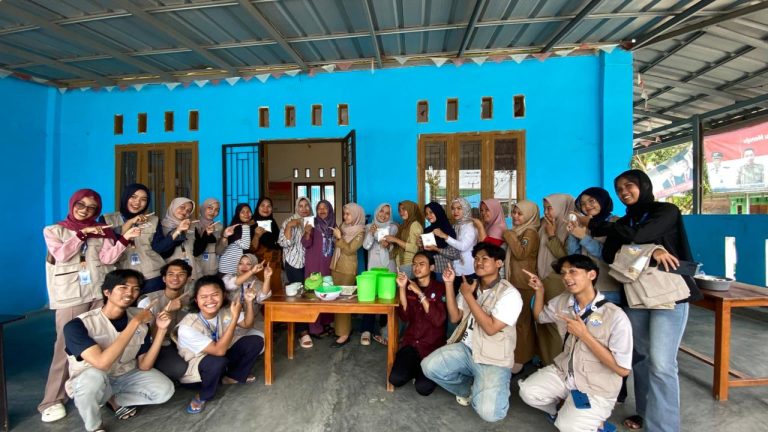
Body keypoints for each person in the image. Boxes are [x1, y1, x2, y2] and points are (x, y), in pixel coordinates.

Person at [589, 169, 703, 432]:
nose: (624, 192)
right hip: (636, 293)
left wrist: (633, 239)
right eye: (619, 189)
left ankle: (663, 427)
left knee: (662, 363)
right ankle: (644, 412)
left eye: (629, 186)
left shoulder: (666, 211)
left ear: (644, 185)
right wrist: (653, 249)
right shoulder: (627, 220)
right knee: (639, 356)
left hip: (669, 295)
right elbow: (609, 254)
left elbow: (638, 236)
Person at [40, 189, 141, 423]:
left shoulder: (103, 230)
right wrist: (82, 235)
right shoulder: (55, 230)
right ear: (73, 204)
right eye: (81, 205)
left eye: (92, 208)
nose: (86, 210)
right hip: (71, 295)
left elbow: (107, 259)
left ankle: (104, 394)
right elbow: (62, 255)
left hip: (98, 292)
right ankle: (52, 400)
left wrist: (123, 238)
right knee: (66, 346)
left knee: (101, 340)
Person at [519, 255, 632, 432]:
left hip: (596, 386)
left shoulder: (615, 316)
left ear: (592, 275)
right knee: (528, 392)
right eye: (563, 273)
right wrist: (539, 290)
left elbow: (623, 369)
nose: (566, 277)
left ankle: (594, 424)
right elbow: (540, 317)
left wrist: (585, 336)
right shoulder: (564, 301)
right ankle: (561, 412)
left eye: (573, 271)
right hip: (565, 372)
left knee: (567, 426)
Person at [421, 242, 523, 423]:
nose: (479, 263)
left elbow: (491, 328)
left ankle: (495, 387)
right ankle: (469, 388)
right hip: (467, 349)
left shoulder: (509, 294)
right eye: (476, 259)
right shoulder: (472, 287)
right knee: (429, 366)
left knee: (490, 414)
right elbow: (455, 317)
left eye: (485, 259)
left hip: (493, 359)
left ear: (499, 263)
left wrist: (468, 295)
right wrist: (449, 284)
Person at [64, 269, 175, 432]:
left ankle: (114, 399)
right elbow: (102, 363)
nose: (130, 292)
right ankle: (94, 426)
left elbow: (144, 365)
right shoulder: (78, 325)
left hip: (124, 375)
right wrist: (135, 322)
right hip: (92, 379)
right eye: (123, 287)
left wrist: (161, 329)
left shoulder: (139, 317)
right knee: (92, 379)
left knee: (165, 391)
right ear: (107, 292)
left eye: (135, 288)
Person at [177, 275, 264, 414]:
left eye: (215, 295)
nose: (210, 300)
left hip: (220, 357)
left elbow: (248, 324)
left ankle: (231, 377)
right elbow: (219, 352)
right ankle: (203, 395)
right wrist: (234, 318)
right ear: (196, 300)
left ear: (223, 295)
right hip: (198, 370)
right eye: (204, 297)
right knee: (217, 361)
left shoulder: (224, 310)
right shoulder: (188, 326)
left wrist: (248, 302)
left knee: (255, 341)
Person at [389, 252, 447, 395]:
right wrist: (402, 288)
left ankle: (421, 370)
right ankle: (416, 368)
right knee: (395, 379)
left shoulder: (440, 288)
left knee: (423, 388)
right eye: (414, 264)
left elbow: (438, 320)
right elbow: (405, 316)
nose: (416, 268)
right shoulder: (409, 285)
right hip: (411, 343)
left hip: (431, 347)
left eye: (422, 264)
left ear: (432, 267)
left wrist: (420, 294)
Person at [101, 183, 166, 293]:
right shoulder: (107, 220)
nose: (137, 202)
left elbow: (159, 249)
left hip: (152, 275)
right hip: (123, 277)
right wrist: (130, 222)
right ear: (125, 197)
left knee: (152, 309)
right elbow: (110, 247)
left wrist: (176, 233)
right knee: (129, 310)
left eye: (143, 199)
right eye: (133, 197)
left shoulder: (153, 220)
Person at [137, 259, 193, 381]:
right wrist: (167, 311)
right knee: (178, 369)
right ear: (163, 278)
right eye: (171, 274)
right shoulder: (148, 300)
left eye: (181, 274)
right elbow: (148, 336)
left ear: (188, 279)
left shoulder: (192, 300)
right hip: (159, 344)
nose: (175, 278)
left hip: (183, 342)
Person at [502, 200, 540, 373]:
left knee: (523, 321)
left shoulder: (530, 232)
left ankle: (522, 358)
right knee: (518, 321)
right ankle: (521, 354)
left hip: (524, 283)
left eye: (520, 213)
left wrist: (508, 235)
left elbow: (520, 253)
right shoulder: (521, 231)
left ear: (530, 215)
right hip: (516, 281)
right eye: (514, 212)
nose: (515, 216)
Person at [537, 193, 576, 365]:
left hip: (558, 281)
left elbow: (566, 259)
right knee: (543, 324)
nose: (546, 211)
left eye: (550, 207)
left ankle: (557, 364)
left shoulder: (569, 227)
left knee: (555, 325)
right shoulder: (545, 224)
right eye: (545, 207)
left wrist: (552, 235)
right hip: (543, 278)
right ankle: (546, 362)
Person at [566, 188, 622, 304]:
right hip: (586, 288)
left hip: (609, 287)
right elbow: (574, 257)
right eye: (582, 204)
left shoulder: (616, 223)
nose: (587, 206)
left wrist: (583, 237)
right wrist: (573, 233)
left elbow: (610, 256)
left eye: (591, 201)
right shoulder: (584, 225)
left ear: (602, 200)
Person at [360, 203, 399, 346]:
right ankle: (366, 330)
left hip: (388, 267)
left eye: (387, 213)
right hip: (373, 266)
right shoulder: (369, 226)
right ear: (377, 211)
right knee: (370, 298)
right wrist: (370, 232)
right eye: (381, 211)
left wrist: (387, 244)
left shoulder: (394, 227)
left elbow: (390, 245)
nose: (383, 214)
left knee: (386, 298)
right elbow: (366, 246)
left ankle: (385, 330)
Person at [329, 203, 366, 348]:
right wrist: (337, 237)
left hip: (347, 269)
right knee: (336, 300)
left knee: (344, 301)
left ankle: (344, 334)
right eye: (344, 213)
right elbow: (336, 243)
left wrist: (339, 238)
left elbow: (350, 250)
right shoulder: (343, 226)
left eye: (348, 214)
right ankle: (339, 330)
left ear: (356, 215)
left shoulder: (360, 231)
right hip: (336, 266)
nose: (345, 216)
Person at [152, 197, 203, 279]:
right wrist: (178, 231)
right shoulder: (160, 226)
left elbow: (197, 251)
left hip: (192, 270)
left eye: (188, 211)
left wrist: (205, 234)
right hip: (172, 273)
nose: (185, 212)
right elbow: (159, 251)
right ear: (174, 206)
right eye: (182, 207)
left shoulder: (192, 226)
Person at [250, 197, 283, 296]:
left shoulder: (273, 222)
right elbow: (250, 249)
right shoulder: (251, 224)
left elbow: (278, 242)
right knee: (262, 293)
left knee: (276, 293)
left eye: (269, 206)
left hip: (275, 266)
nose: (266, 208)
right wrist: (256, 236)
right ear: (257, 207)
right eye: (263, 205)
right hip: (260, 266)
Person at [421, 202, 460, 282]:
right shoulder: (427, 230)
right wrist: (421, 245)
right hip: (428, 271)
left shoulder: (447, 230)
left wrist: (436, 249)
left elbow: (455, 255)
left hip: (443, 272)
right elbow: (426, 252)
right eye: (426, 213)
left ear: (438, 212)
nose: (428, 216)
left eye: (431, 212)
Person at [278, 196, 313, 286]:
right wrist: (289, 226)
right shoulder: (288, 221)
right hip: (293, 263)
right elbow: (284, 243)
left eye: (306, 205)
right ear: (296, 208)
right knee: (298, 290)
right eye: (300, 206)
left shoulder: (312, 221)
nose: (304, 209)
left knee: (309, 289)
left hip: (309, 263)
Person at [386, 200, 424, 278]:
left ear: (411, 209)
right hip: (402, 264)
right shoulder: (404, 225)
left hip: (409, 264)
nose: (401, 212)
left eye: (404, 209)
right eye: (399, 210)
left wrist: (395, 239)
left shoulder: (414, 225)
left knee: (406, 288)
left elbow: (415, 248)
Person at [218, 203, 254, 276]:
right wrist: (246, 226)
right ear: (238, 214)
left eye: (248, 211)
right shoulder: (235, 228)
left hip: (238, 268)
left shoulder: (247, 227)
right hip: (228, 269)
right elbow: (246, 246)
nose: (246, 214)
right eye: (242, 212)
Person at [193, 198, 223, 278]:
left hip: (211, 266)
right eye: (210, 208)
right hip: (195, 266)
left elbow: (219, 250)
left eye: (217, 210)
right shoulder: (192, 225)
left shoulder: (219, 227)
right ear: (203, 208)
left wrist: (225, 238)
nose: (213, 212)